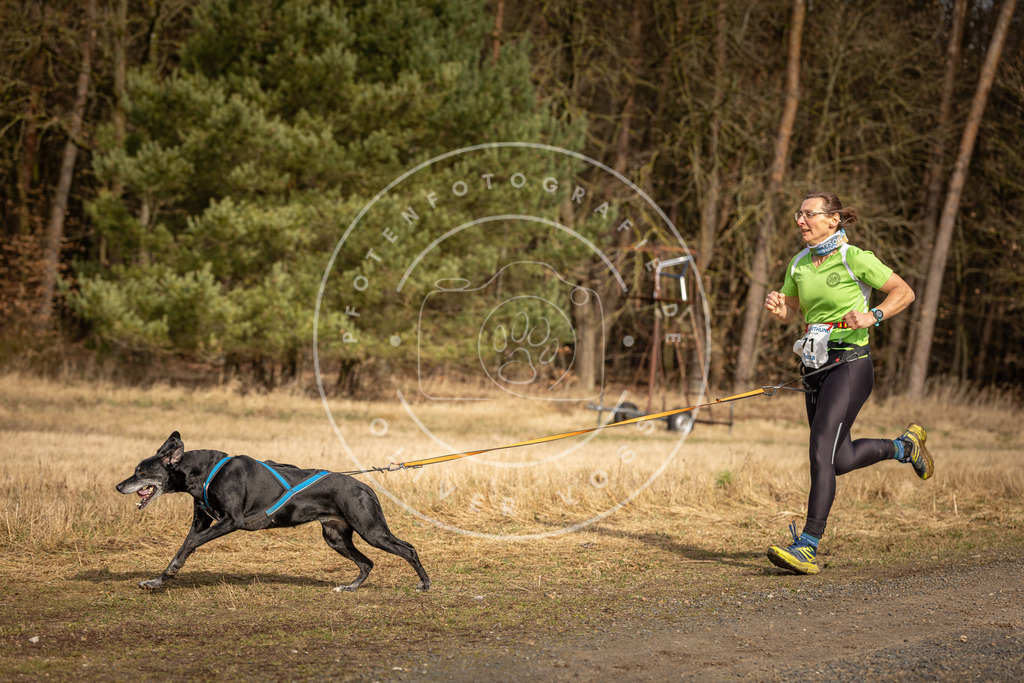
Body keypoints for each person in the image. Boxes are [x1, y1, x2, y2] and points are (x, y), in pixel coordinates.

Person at [762, 190, 933, 575]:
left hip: (851, 365)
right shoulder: (799, 263)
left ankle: (807, 544)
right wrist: (780, 309)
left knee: (820, 451)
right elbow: (792, 310)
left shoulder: (854, 258)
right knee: (838, 460)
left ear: (833, 219)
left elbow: (904, 292)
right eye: (799, 215)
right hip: (814, 366)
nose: (801, 221)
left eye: (809, 215)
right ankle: (904, 447)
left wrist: (874, 314)